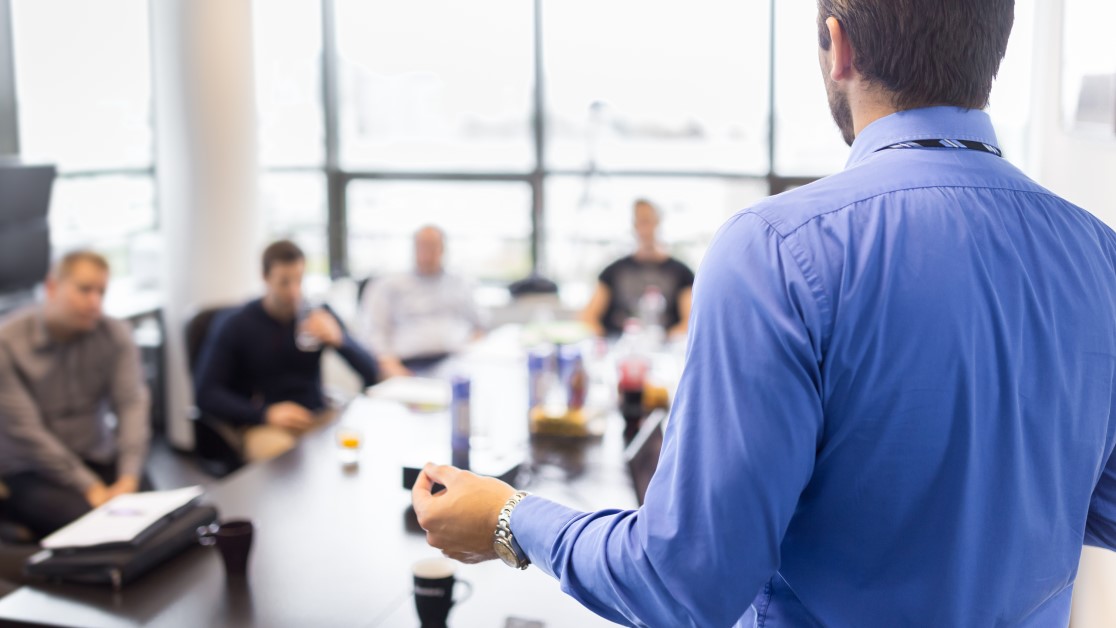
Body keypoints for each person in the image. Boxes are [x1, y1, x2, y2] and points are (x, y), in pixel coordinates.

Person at [412, 1, 1116, 625]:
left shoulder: (780, 249)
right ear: (991, 49)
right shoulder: (1100, 254)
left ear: (839, 46)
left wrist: (509, 519)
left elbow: (686, 584)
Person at [0, 251, 151, 537]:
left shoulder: (114, 333)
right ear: (52, 287)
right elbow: (27, 432)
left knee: (151, 510)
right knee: (95, 525)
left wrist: (128, 477)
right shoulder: (6, 344)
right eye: (84, 289)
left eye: (101, 292)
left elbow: (132, 404)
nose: (95, 302)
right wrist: (89, 486)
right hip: (32, 468)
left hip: (96, 453)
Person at [194, 240, 378, 462]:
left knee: (357, 448)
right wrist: (264, 414)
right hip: (265, 423)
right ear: (265, 277)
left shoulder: (316, 313)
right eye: (284, 282)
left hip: (316, 416)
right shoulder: (237, 324)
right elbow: (206, 393)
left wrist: (340, 340)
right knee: (286, 465)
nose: (294, 291)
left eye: (299, 280)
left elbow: (371, 372)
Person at [359, 226, 485, 378]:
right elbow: (374, 333)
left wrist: (472, 355)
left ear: (443, 249)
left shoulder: (460, 283)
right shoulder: (389, 284)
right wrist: (392, 368)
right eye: (422, 245)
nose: (427, 252)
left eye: (433, 246)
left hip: (456, 361)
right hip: (410, 365)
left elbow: (478, 326)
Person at [579, 199, 695, 339]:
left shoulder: (681, 273)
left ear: (657, 222)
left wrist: (667, 342)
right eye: (639, 222)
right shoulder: (613, 271)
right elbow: (588, 316)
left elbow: (690, 321)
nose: (644, 228)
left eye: (648, 221)